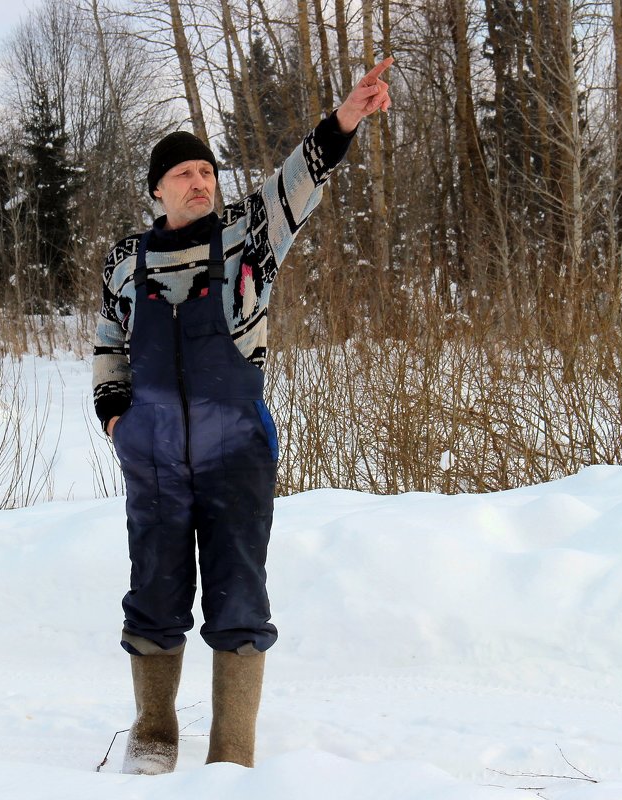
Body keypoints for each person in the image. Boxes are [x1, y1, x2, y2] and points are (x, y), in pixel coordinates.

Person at [93, 57, 394, 774]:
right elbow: (109, 338)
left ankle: (231, 757)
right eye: (184, 175)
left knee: (238, 594)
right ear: (156, 191)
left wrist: (345, 117)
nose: (200, 182)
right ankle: (156, 732)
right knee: (154, 592)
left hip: (236, 453)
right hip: (155, 459)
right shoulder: (125, 261)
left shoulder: (247, 235)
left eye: (207, 172)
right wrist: (115, 416)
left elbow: (302, 178)